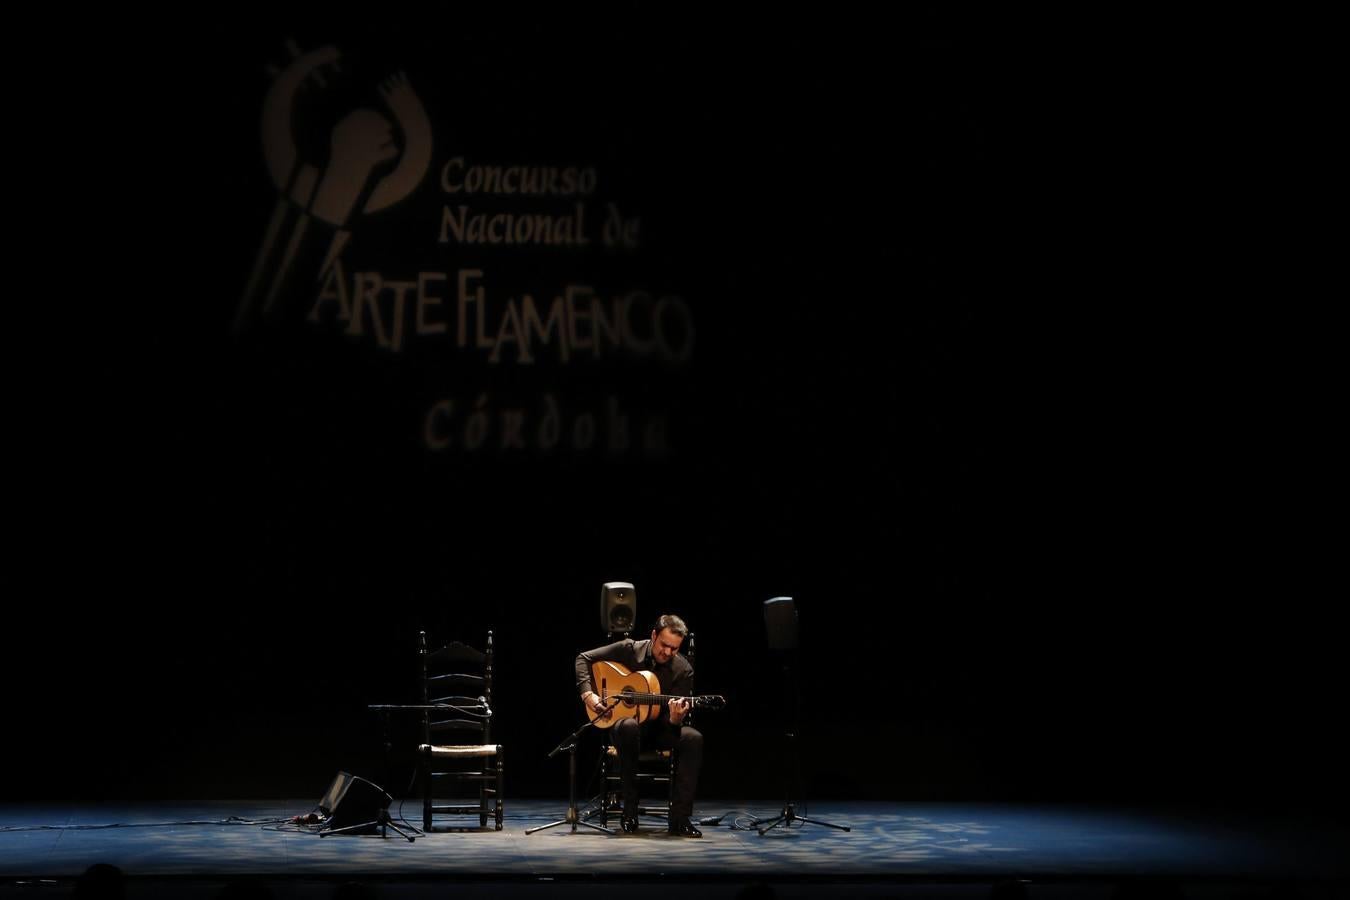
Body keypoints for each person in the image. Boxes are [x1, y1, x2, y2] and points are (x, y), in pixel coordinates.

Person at [575, 614, 704, 836]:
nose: (667, 652)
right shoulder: (628, 649)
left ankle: (680, 819)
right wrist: (589, 695)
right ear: (653, 636)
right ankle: (629, 811)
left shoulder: (683, 670)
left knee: (693, 738)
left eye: (674, 648)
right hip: (625, 730)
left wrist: (675, 719)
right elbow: (583, 658)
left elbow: (671, 722)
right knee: (628, 727)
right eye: (664, 645)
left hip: (660, 730)